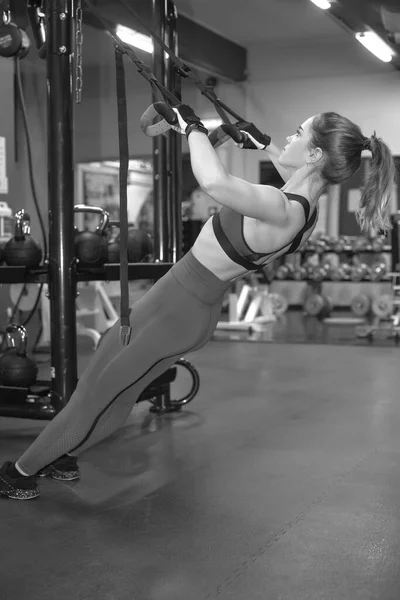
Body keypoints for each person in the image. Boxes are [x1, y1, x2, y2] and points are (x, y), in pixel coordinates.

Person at [0, 106, 396, 500]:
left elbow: (215, 183)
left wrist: (192, 127)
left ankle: (20, 473)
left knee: (98, 392)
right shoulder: (305, 206)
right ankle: (63, 455)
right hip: (181, 300)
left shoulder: (282, 209)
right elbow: (294, 169)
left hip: (179, 307)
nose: (289, 138)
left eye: (298, 132)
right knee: (115, 388)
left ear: (313, 155)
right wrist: (259, 140)